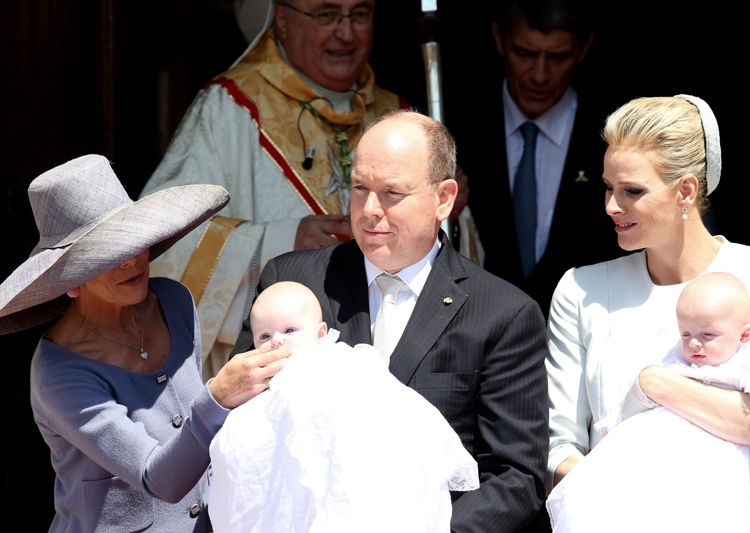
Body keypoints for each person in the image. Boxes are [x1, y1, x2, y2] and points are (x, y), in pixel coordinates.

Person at [231, 110, 549, 531]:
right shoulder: (292, 282)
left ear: (444, 198)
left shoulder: (504, 314)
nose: (369, 211)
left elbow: (516, 475)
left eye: (392, 193)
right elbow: (243, 420)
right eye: (360, 189)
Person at [139, 0, 481, 381]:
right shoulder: (232, 107)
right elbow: (162, 237)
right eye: (326, 14)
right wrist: (280, 239)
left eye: (360, 14)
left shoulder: (396, 115)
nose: (346, 33)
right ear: (282, 20)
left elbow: (459, 265)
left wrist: (445, 209)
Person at [546, 95, 750, 531]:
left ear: (686, 190)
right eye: (608, 187)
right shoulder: (580, 290)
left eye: (632, 191)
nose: (611, 205)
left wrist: (656, 385)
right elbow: (559, 444)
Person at [0, 154, 289, 532]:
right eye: (107, 254)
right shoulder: (58, 371)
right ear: (69, 280)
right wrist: (218, 395)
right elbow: (159, 479)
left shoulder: (174, 300)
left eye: (134, 240)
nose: (132, 260)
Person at [209, 281, 479, 532]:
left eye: (290, 330)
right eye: (264, 336)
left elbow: (390, 416)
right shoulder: (256, 389)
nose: (276, 341)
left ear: (320, 332)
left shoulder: (344, 365)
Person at [547, 272, 750, 532]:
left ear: (744, 335)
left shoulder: (749, 364)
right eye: (685, 334)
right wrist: (615, 424)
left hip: (733, 464)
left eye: (708, 335)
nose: (694, 344)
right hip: (668, 460)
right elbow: (638, 397)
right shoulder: (677, 358)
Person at [449, 0, 618, 316]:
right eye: (525, 54)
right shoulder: (457, 128)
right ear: (498, 39)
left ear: (584, 50)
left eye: (558, 57)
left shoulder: (614, 136)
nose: (539, 75)